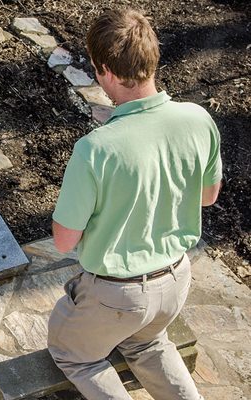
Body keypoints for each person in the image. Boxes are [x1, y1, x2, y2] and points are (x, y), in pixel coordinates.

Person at [47, 9, 221, 400]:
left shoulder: (95, 149)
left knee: (74, 354)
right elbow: (208, 196)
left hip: (118, 296)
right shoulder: (198, 119)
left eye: (94, 68)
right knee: (147, 344)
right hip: (175, 280)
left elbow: (63, 241)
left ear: (106, 70)